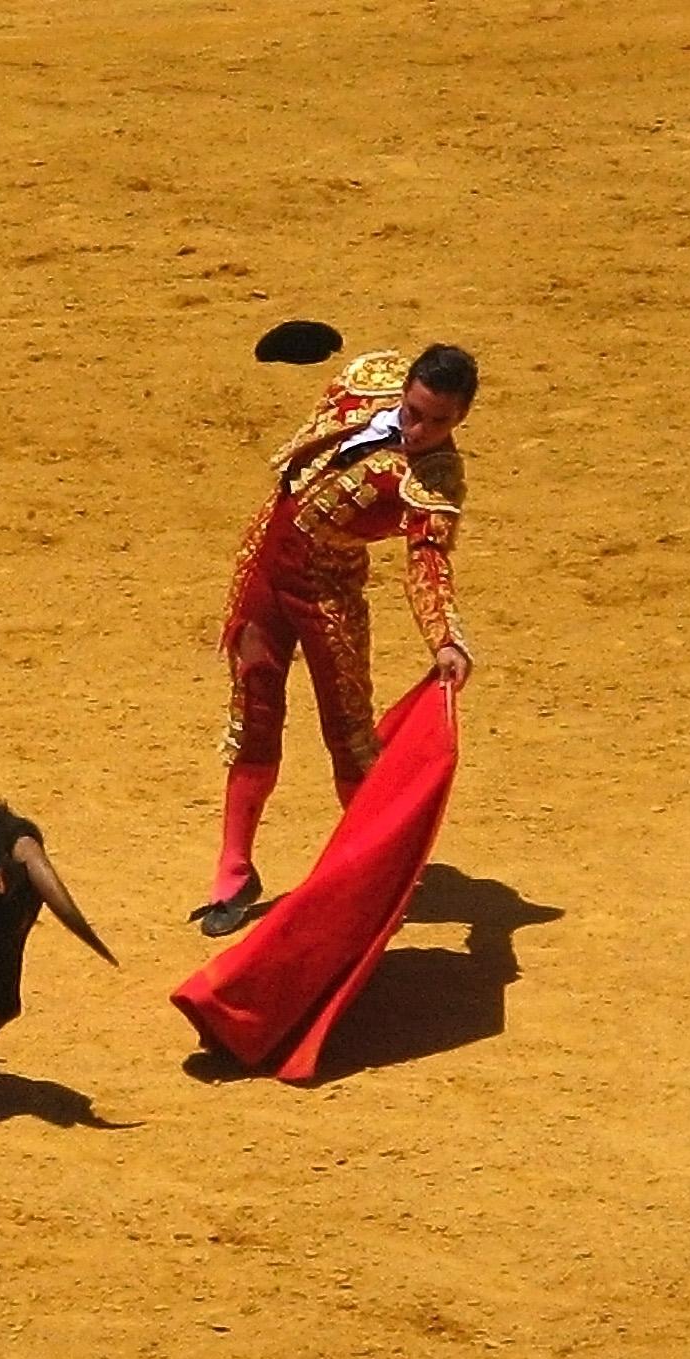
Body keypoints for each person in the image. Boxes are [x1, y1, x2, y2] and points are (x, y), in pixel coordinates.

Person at [190, 342, 478, 938]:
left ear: (461, 418)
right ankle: (234, 870)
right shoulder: (369, 379)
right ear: (405, 389)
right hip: (265, 568)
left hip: (328, 593)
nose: (419, 429)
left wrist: (446, 638)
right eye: (415, 410)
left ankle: (379, 878)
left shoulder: (436, 478)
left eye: (439, 420)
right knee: (254, 711)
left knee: (349, 736)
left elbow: (427, 561)